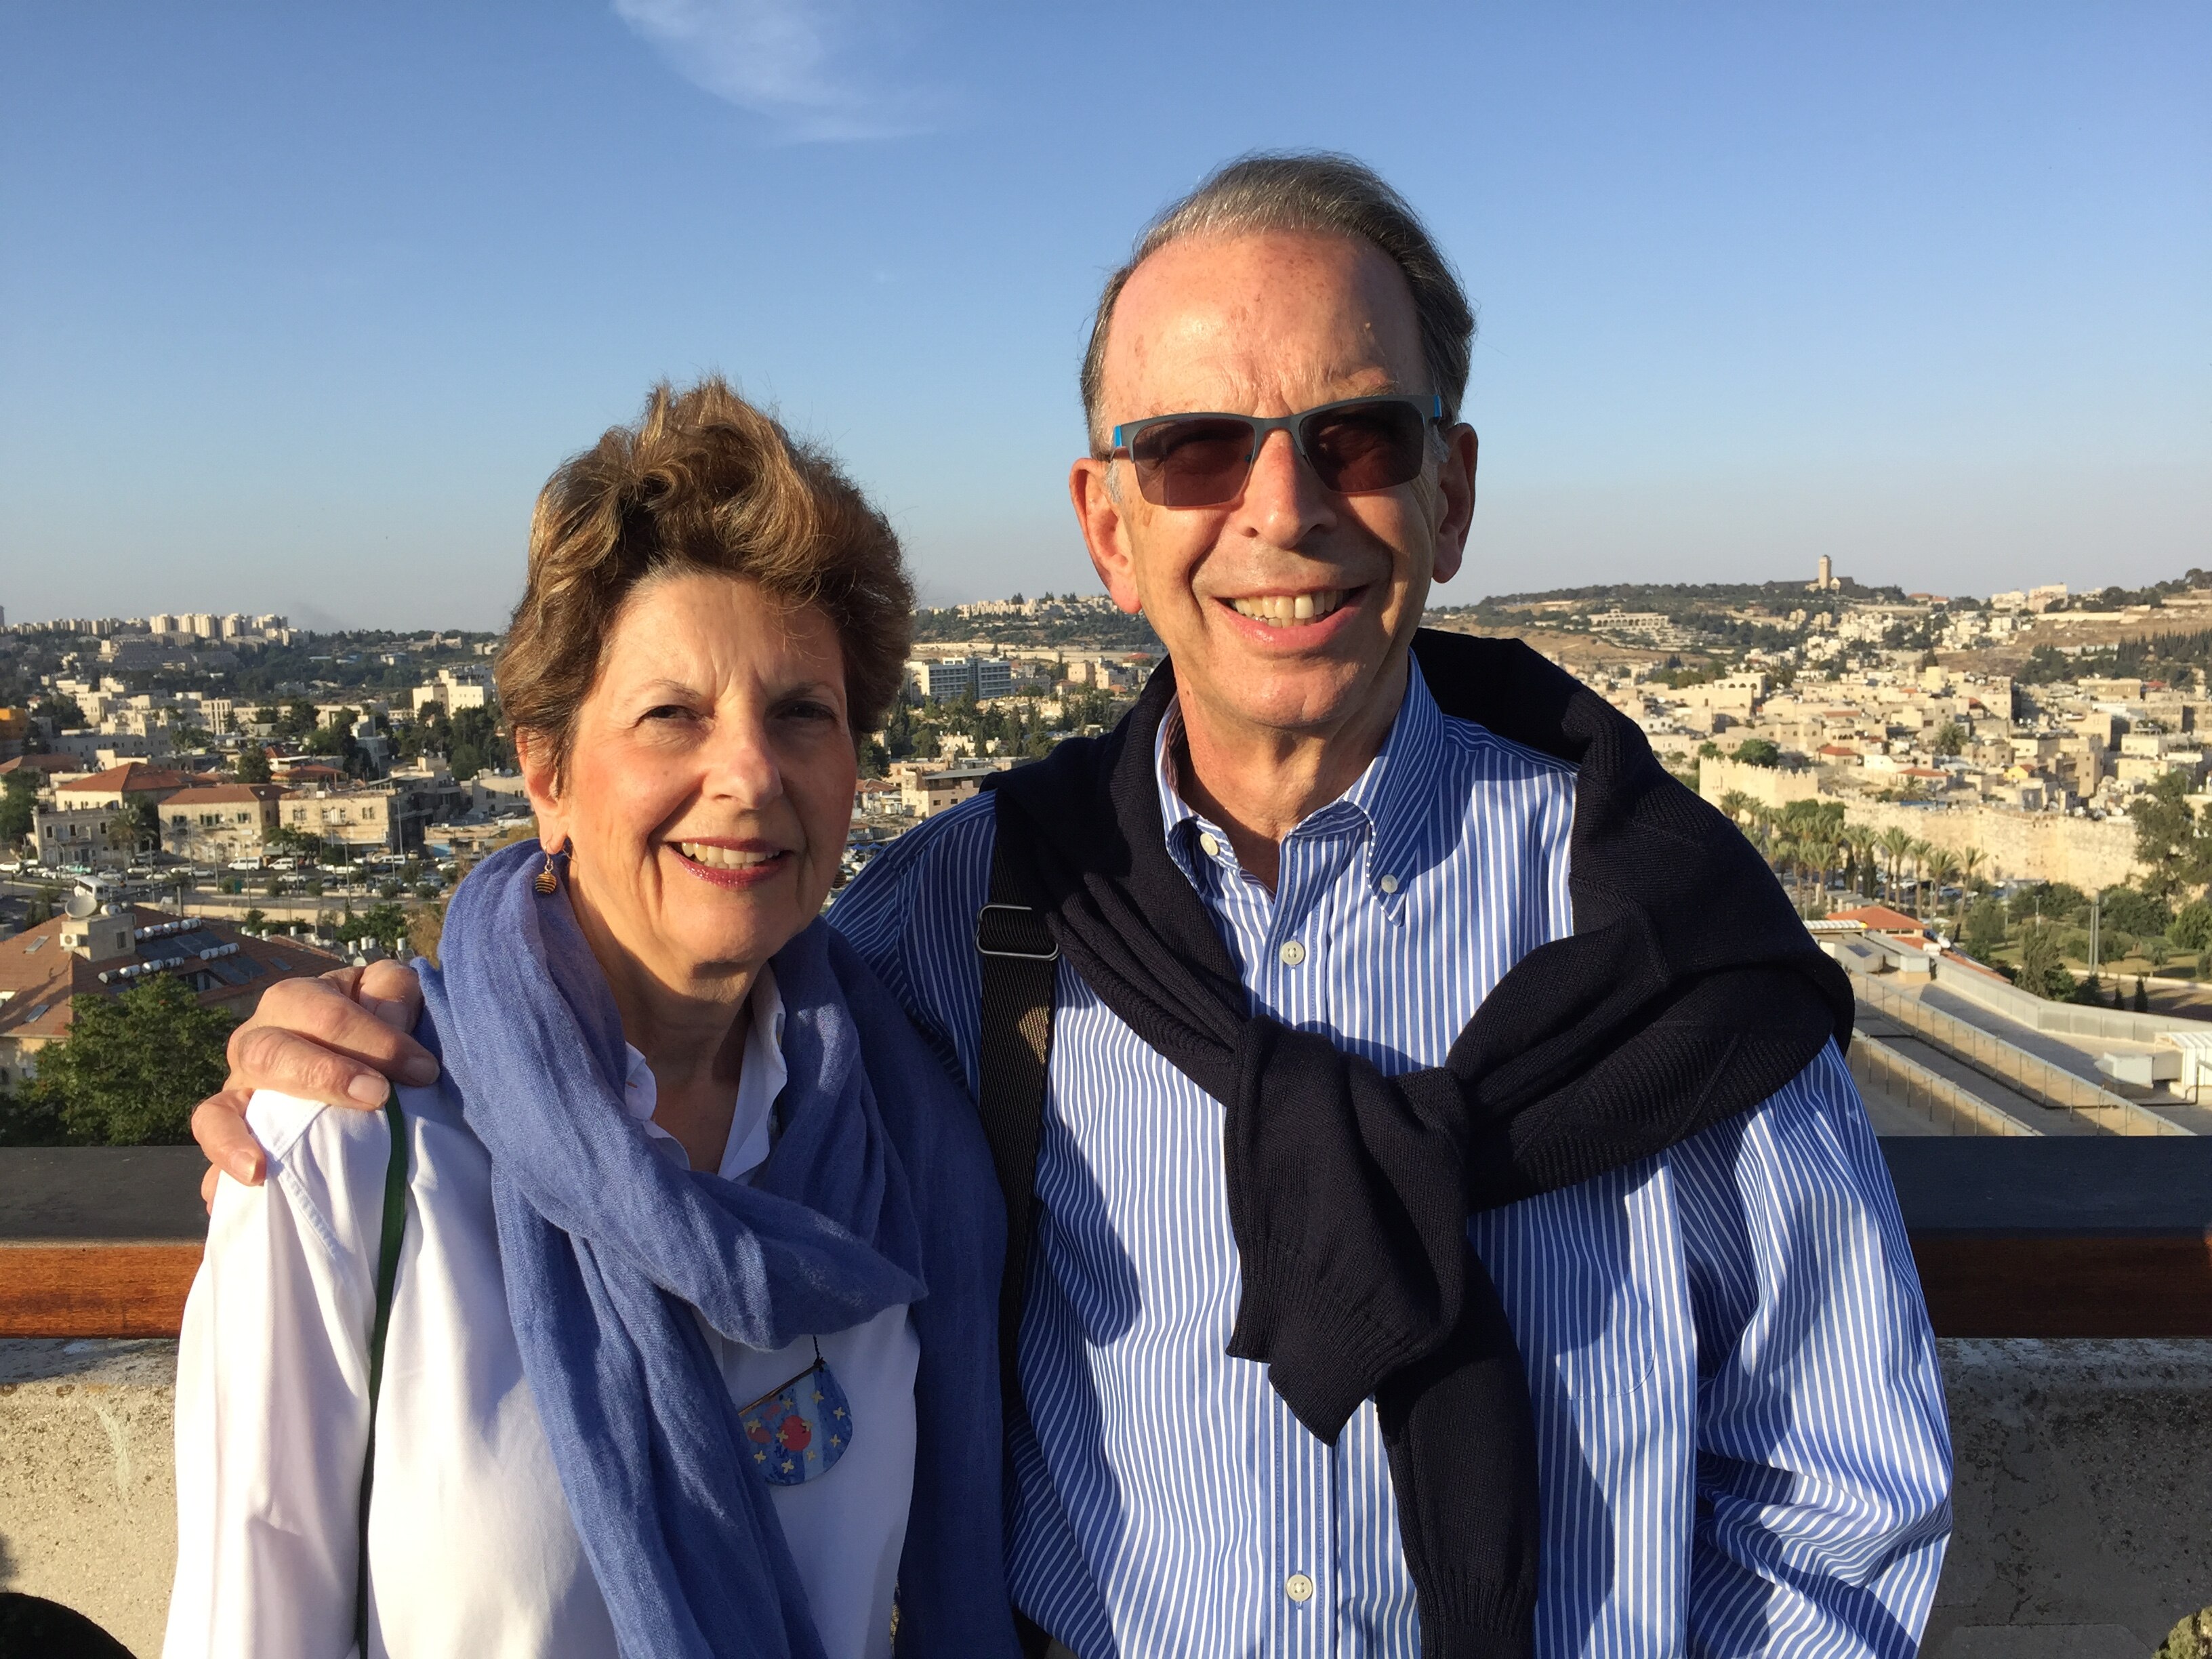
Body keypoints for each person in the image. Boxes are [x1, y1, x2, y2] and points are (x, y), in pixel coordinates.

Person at [192, 155, 1952, 1656]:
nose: (1280, 511)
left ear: (1451, 490)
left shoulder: (1653, 934)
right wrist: (397, 1014)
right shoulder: (974, 914)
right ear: (1108, 527)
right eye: (1195, 451)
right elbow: (678, 950)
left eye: (1353, 436)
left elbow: (1844, 1495)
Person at [165, 381, 1019, 1659]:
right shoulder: (354, 1153)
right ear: (546, 770)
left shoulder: (905, 1152)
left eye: (803, 713)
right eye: (673, 715)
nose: (749, 776)